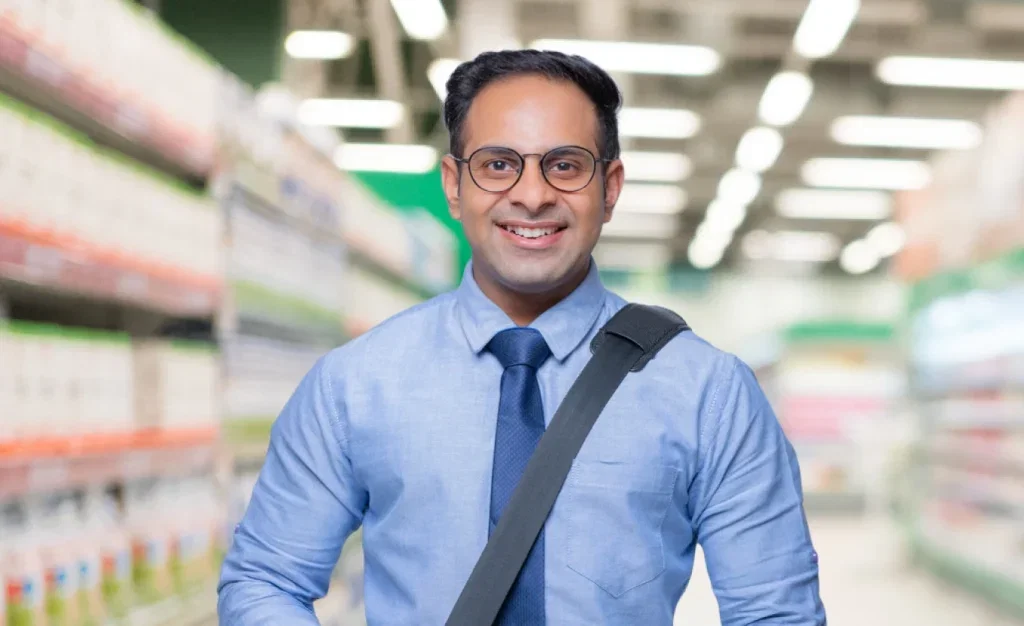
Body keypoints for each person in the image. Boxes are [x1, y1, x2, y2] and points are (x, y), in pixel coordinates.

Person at [217, 49, 827, 625]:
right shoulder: (355, 384)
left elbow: (775, 613)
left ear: (609, 188)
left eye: (564, 166)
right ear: (454, 185)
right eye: (498, 165)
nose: (532, 196)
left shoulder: (708, 393)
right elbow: (266, 579)